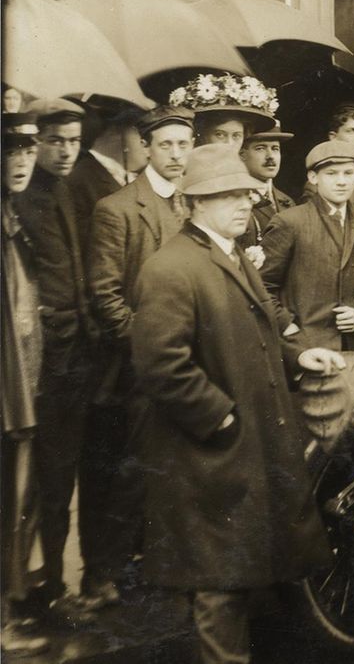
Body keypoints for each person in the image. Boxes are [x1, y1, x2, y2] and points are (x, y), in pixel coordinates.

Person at [129, 144, 342, 664]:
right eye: (224, 196)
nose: (242, 203)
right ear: (193, 204)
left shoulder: (230, 254)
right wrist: (220, 417)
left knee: (238, 577)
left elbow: (256, 331)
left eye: (244, 193)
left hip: (243, 448)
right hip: (209, 455)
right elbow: (161, 366)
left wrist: (297, 357)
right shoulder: (171, 268)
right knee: (218, 584)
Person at [82, 105, 195, 605]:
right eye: (166, 144)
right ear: (146, 148)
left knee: (185, 467)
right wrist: (148, 348)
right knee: (132, 470)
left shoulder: (193, 204)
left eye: (183, 144)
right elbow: (105, 295)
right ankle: (101, 574)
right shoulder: (119, 208)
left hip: (193, 359)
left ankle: (164, 566)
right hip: (141, 366)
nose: (175, 154)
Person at [12, 97, 100, 615]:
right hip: (36, 361)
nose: (66, 151)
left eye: (74, 140)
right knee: (34, 479)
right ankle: (28, 586)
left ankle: (52, 585)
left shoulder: (69, 189)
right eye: (55, 141)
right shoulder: (19, 197)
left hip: (71, 360)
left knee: (59, 475)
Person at [259, 142, 354, 352]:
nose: (341, 181)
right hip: (302, 349)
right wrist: (288, 328)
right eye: (332, 174)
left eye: (348, 173)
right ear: (313, 178)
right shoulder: (290, 222)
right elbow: (260, 288)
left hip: (352, 351)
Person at [2, 113, 48, 654]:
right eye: (9, 149)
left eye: (26, 149)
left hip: (23, 381)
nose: (20, 161)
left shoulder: (15, 214)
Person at [68, 105, 146, 251]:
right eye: (142, 137)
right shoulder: (82, 179)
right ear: (118, 134)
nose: (147, 148)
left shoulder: (121, 174)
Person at [236, 121, 296, 250]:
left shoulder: (288, 202)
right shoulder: (236, 201)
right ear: (242, 155)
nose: (270, 156)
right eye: (260, 148)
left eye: (275, 149)